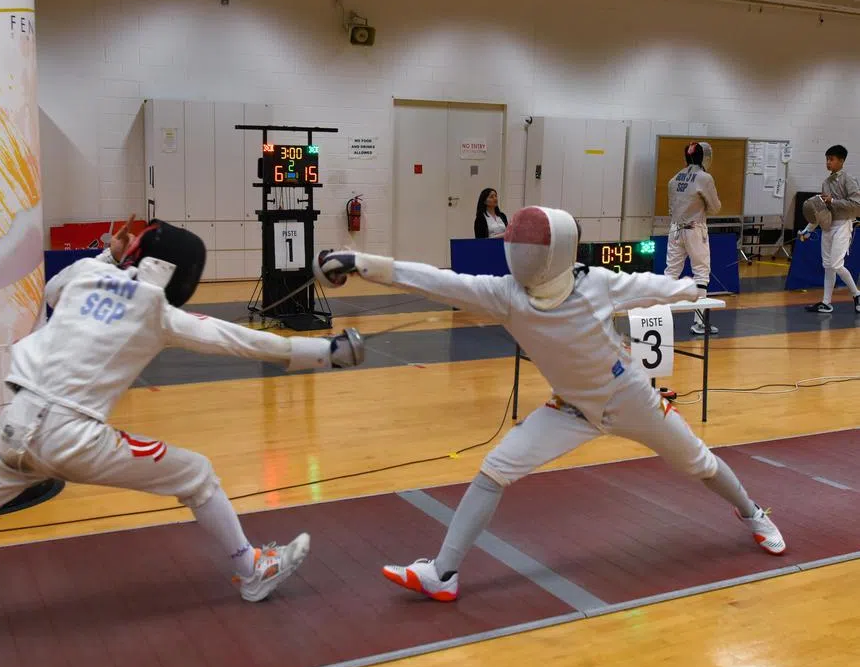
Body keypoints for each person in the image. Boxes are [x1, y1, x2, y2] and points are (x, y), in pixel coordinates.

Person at [0, 217, 366, 667]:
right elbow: (240, 341)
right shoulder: (161, 314)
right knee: (197, 475)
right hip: (72, 439)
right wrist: (329, 353)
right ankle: (251, 571)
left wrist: (110, 255)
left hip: (10, 434)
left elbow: (55, 288)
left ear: (139, 255)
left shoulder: (82, 279)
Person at [314, 205, 786, 603]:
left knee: (698, 462)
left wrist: (692, 289)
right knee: (495, 468)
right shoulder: (504, 295)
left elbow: (650, 284)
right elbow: (433, 281)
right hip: (570, 409)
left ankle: (753, 512)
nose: (521, 253)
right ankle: (443, 573)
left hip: (632, 399)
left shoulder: (595, 283)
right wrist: (360, 261)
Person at [798, 145, 860, 314]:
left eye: (831, 159)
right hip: (827, 226)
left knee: (836, 264)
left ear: (841, 160)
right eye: (827, 159)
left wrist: (833, 201)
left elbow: (856, 206)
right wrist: (807, 230)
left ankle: (857, 294)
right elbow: (822, 212)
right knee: (828, 266)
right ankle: (826, 302)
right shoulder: (826, 183)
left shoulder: (849, 179)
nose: (828, 162)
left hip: (843, 225)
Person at [666, 142, 720, 335]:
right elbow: (715, 207)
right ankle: (699, 323)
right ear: (704, 157)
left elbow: (671, 207)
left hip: (675, 229)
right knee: (701, 273)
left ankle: (663, 317)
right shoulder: (705, 178)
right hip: (695, 229)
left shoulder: (674, 179)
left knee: (671, 272)